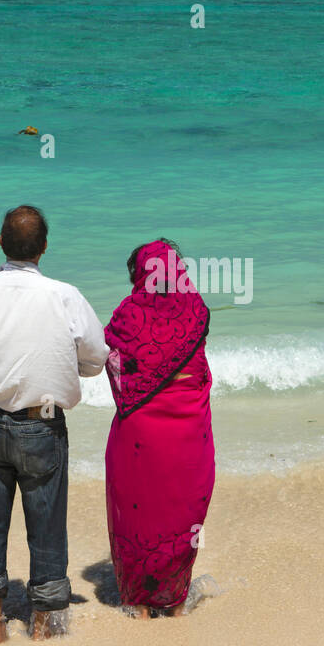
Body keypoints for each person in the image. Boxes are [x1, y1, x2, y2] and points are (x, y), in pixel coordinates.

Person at [0, 205, 108, 642]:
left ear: (0, 243)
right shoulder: (66, 295)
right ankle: (43, 623)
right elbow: (95, 358)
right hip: (44, 423)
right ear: (45, 248)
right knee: (47, 523)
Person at [103, 239, 215, 619]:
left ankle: (139, 603)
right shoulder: (196, 309)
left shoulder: (127, 316)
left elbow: (114, 362)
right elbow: (196, 370)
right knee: (182, 513)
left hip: (141, 431)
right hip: (189, 426)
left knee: (139, 511)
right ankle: (176, 600)